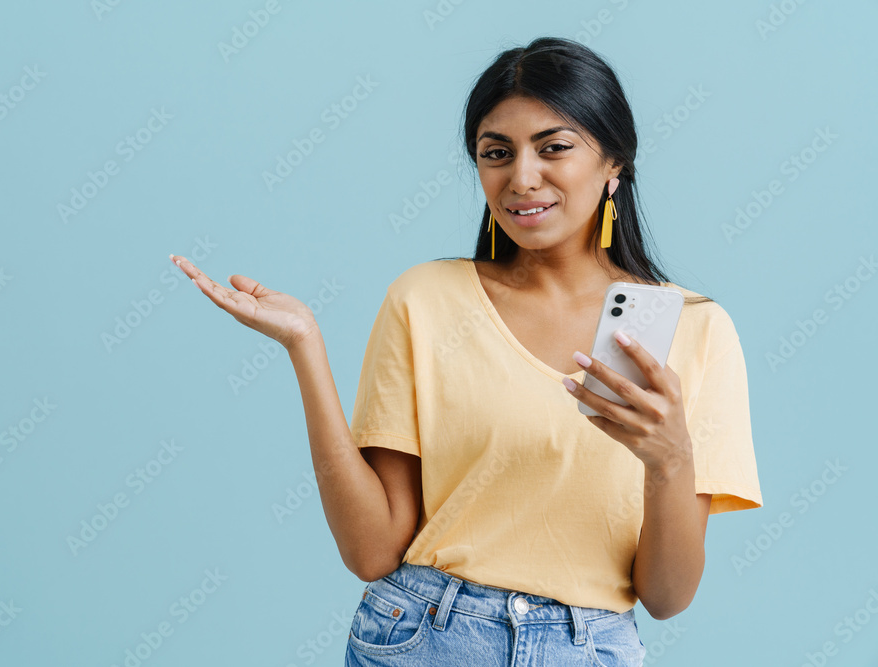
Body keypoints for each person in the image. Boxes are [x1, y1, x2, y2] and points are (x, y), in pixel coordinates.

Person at [170, 35, 762, 667]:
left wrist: (669, 461)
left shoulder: (696, 331)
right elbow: (371, 551)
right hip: (423, 636)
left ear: (614, 160)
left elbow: (667, 596)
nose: (521, 178)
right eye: (496, 153)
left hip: (592, 649)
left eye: (554, 147)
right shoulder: (425, 300)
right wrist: (304, 347)